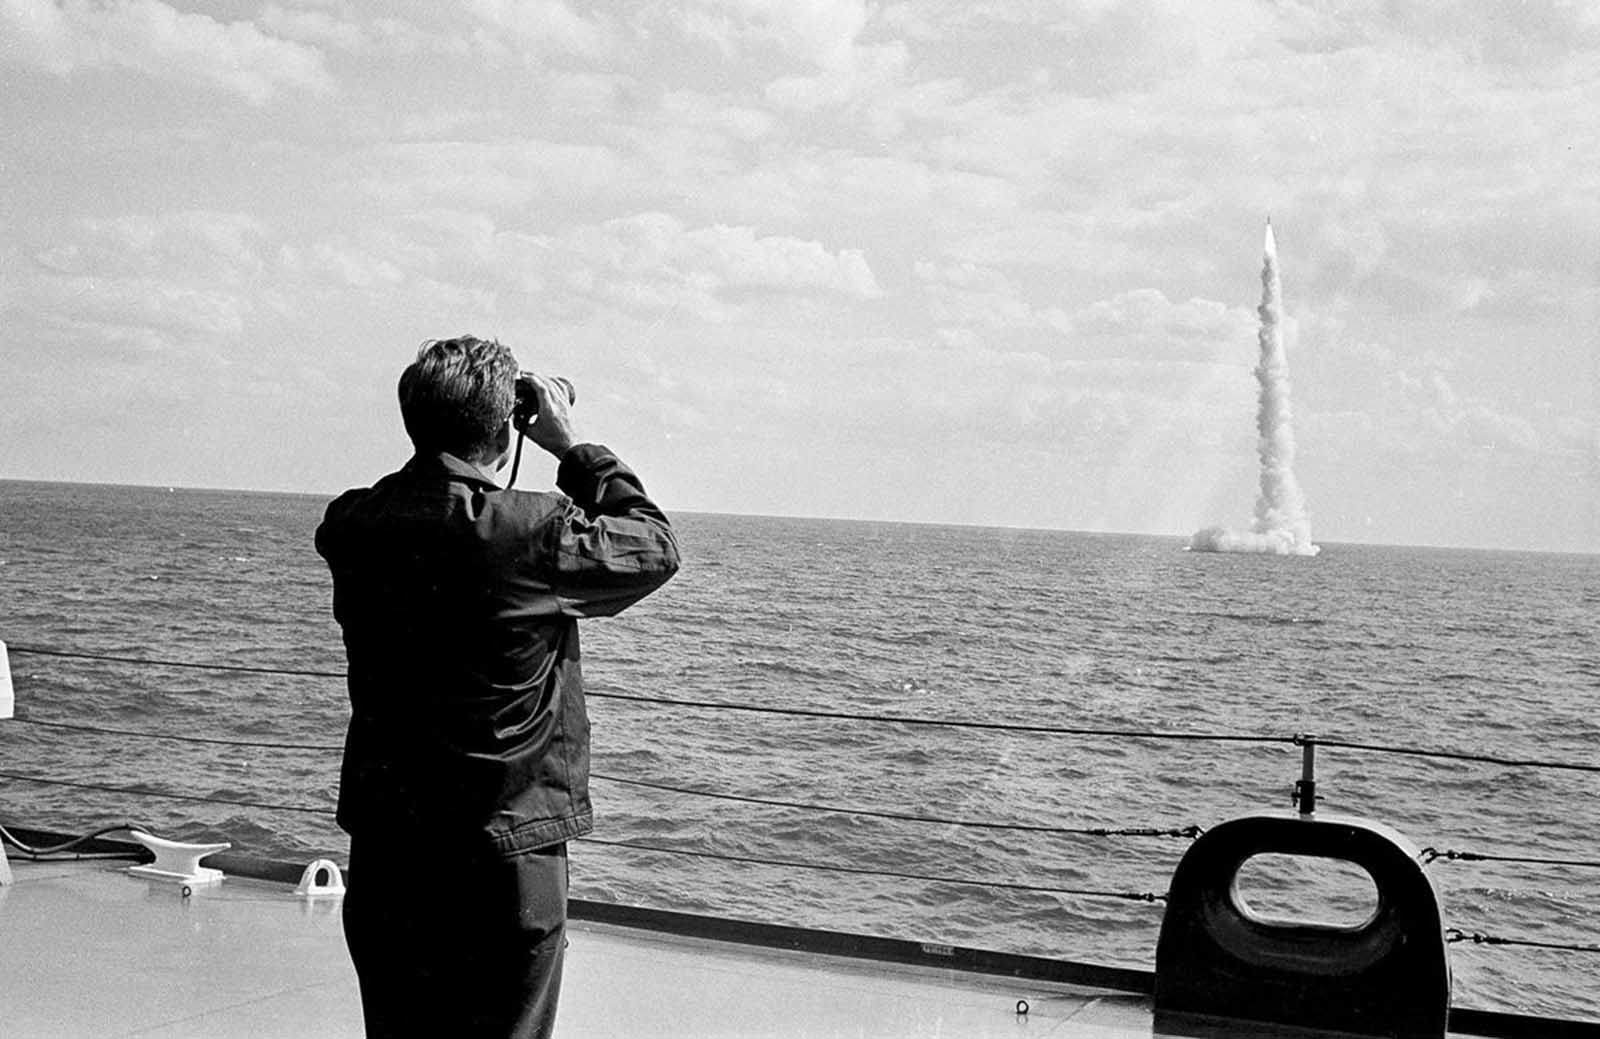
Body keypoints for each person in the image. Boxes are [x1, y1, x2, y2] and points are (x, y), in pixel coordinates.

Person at [315, 335, 680, 1038]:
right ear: (503, 423)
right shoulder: (531, 531)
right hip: (506, 858)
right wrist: (570, 444)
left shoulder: (354, 524)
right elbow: (652, 545)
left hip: (391, 854)